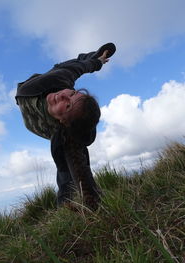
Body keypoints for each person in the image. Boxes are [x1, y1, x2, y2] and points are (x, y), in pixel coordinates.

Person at [15, 43, 116, 210]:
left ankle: (65, 204)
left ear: (65, 121)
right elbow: (80, 67)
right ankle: (91, 54)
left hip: (48, 126)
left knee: (71, 156)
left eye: (68, 105)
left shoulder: (64, 132)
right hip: (33, 89)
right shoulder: (60, 79)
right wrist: (97, 61)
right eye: (73, 94)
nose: (61, 96)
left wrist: (93, 203)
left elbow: (81, 170)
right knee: (71, 65)